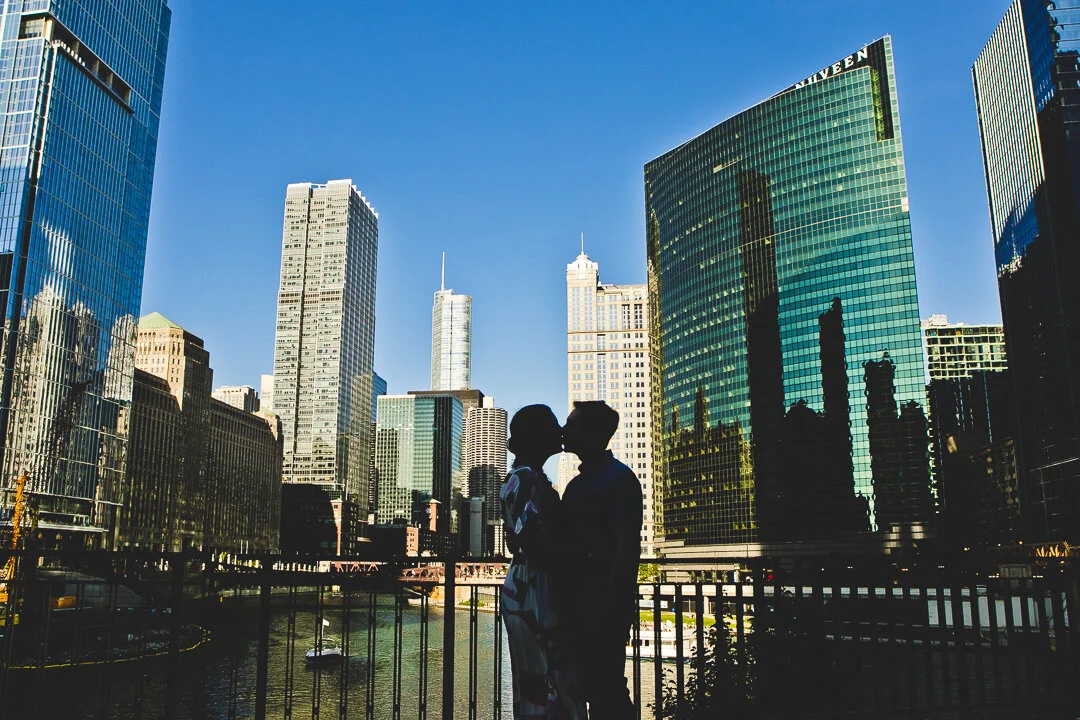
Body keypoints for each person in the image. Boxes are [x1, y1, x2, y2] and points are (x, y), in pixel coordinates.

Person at [500, 404, 584, 720]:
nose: (559, 431)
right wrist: (575, 557)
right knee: (549, 673)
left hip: (525, 584)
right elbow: (535, 541)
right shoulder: (527, 478)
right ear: (538, 436)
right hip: (534, 587)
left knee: (537, 678)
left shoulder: (523, 476)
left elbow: (523, 534)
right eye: (552, 426)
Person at [561, 400, 643, 720]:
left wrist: (611, 610)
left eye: (573, 424)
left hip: (602, 609)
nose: (565, 430)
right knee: (587, 689)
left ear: (595, 434)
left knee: (607, 692)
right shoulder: (577, 485)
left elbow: (627, 551)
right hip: (577, 609)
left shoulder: (620, 480)